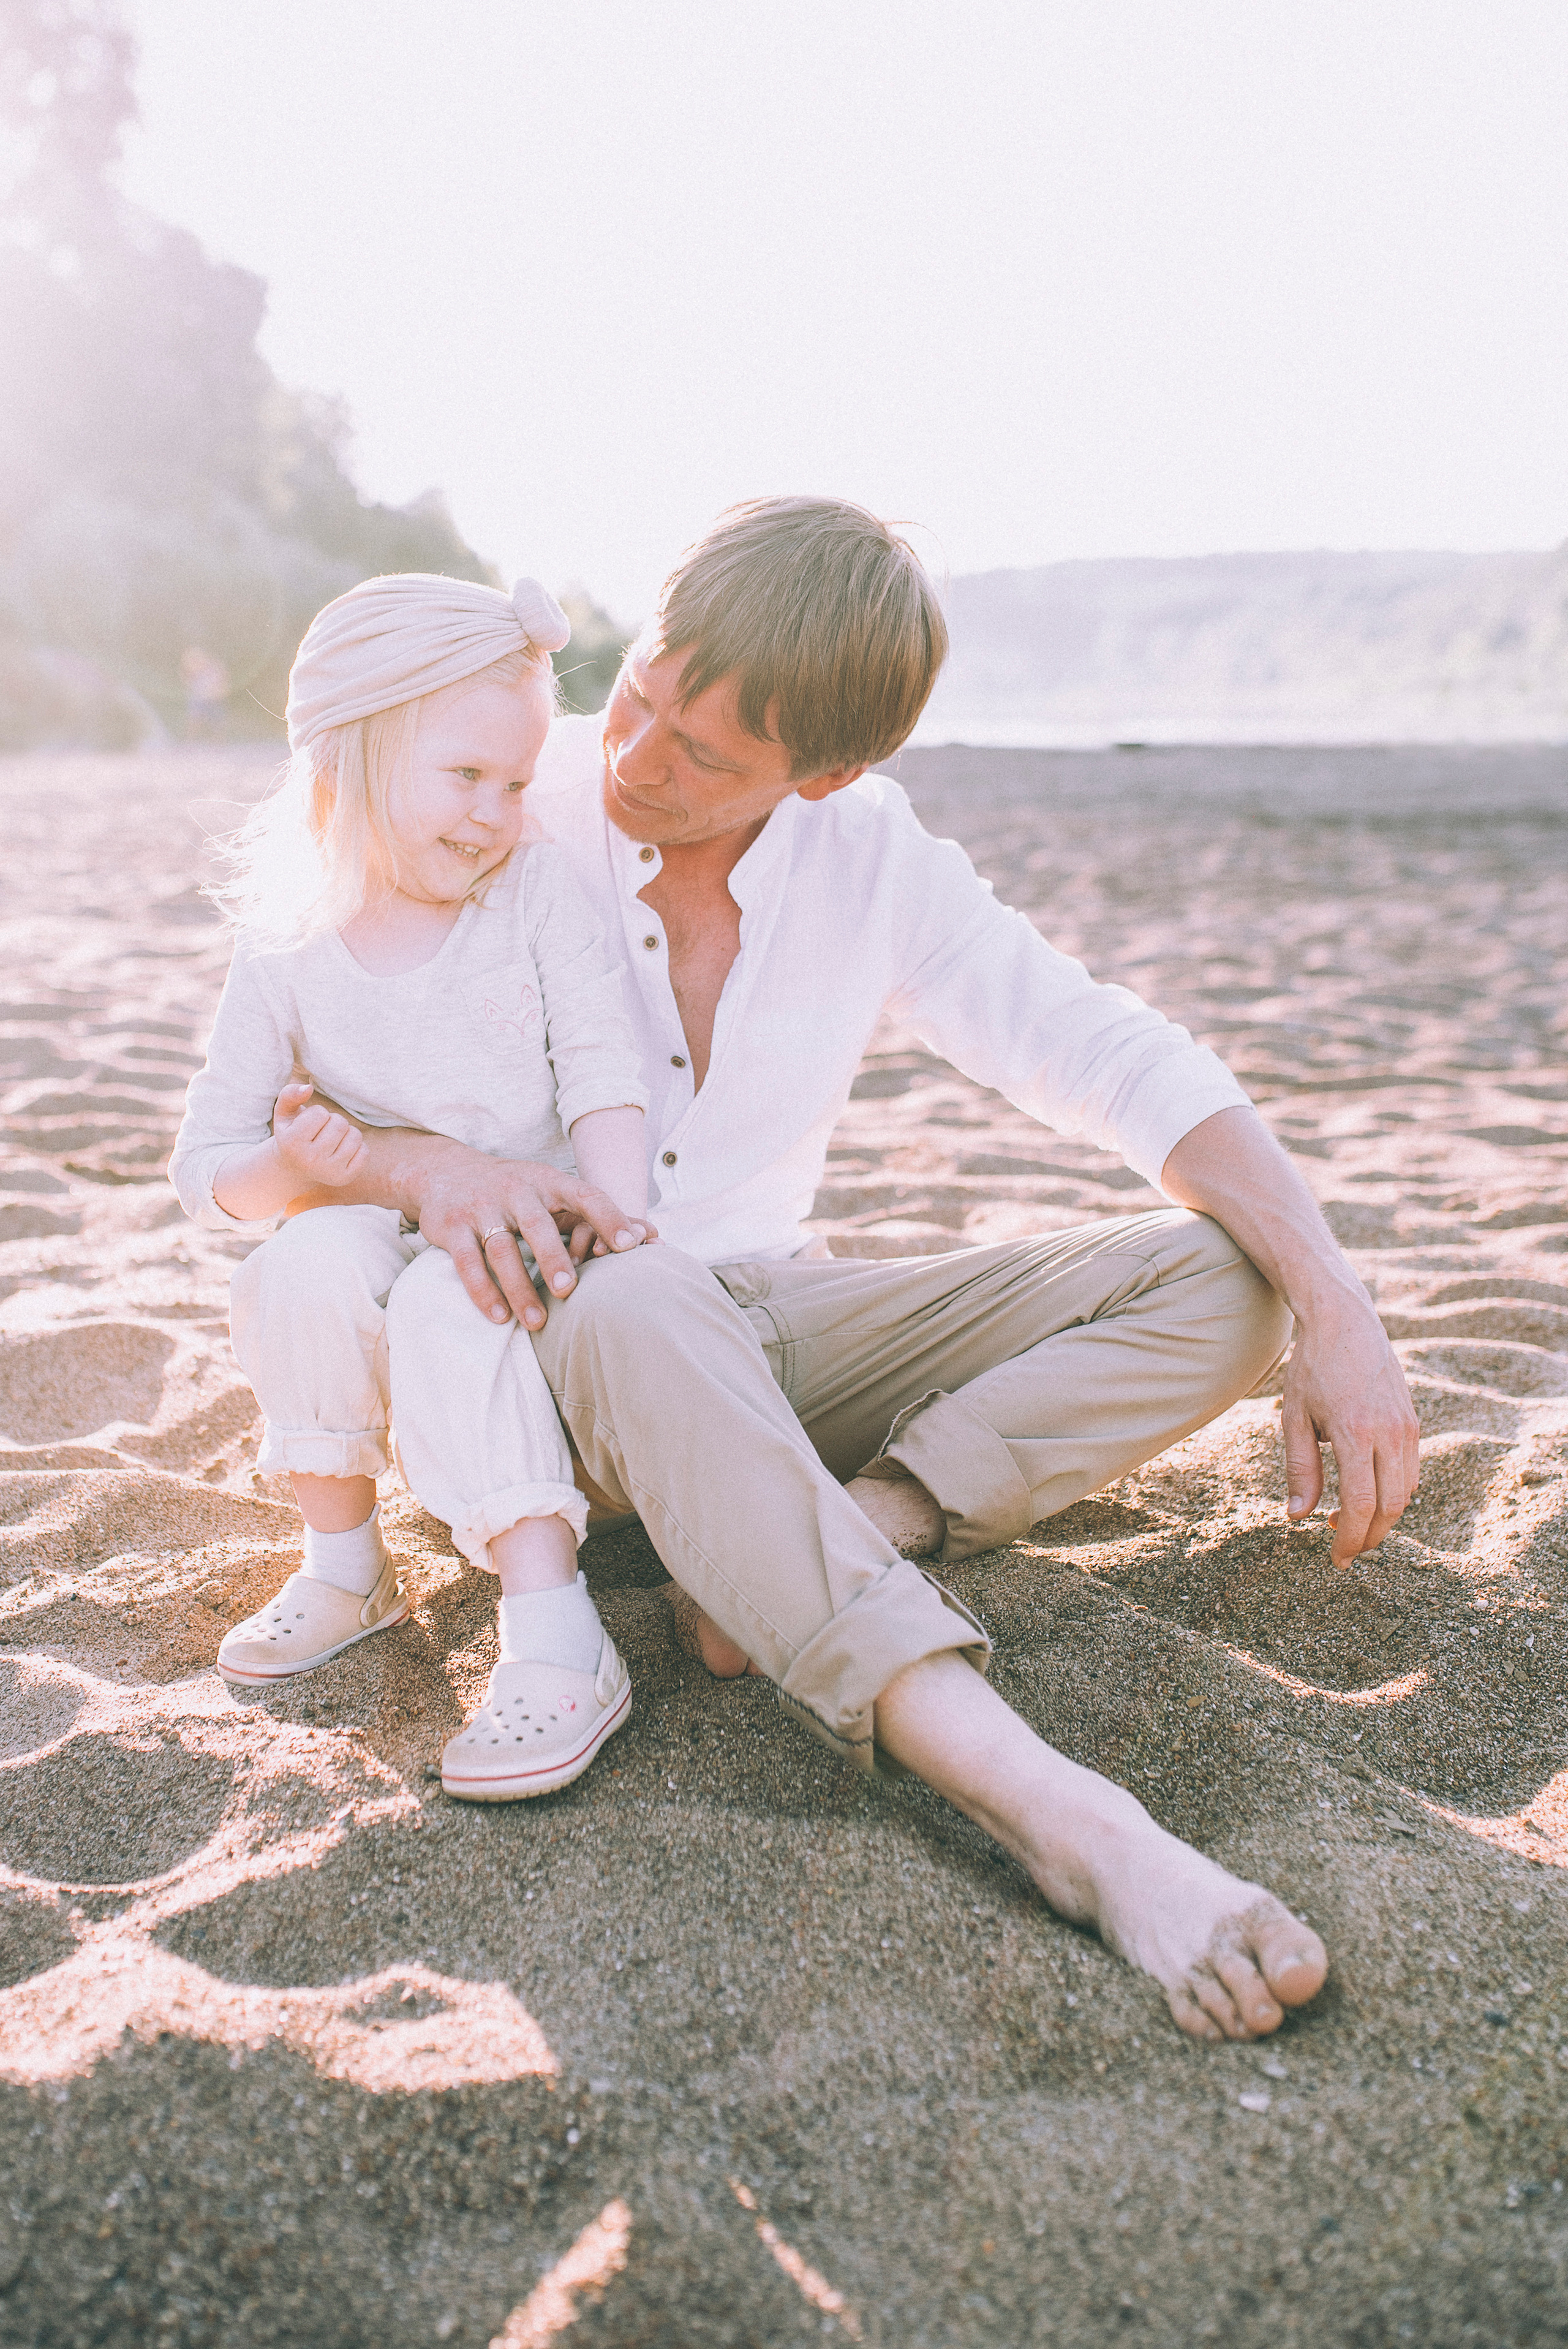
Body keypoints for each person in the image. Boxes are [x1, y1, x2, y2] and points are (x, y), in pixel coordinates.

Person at [283, 498, 1421, 2044]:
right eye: (644, 692)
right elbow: (281, 1084)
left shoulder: (870, 860)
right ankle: (1069, 1823)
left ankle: (864, 1518)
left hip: (766, 1325)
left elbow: (1107, 1053)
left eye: (707, 754)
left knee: (1231, 1276)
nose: (637, 758)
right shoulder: (487, 792)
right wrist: (439, 1168)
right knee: (631, 1289)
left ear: (821, 775)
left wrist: (1337, 1301)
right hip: (531, 1348)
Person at [169, 574, 658, 1800]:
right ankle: (346, 1564)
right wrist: (292, 1170)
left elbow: (605, 1067)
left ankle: (555, 1629)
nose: (497, 813)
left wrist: (614, 1208)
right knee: (303, 1260)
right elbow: (205, 1174)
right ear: (352, 755)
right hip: (372, 1256)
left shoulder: (536, 895)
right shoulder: (285, 936)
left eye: (516, 782)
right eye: (465, 778)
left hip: (520, 1256)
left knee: (456, 1294)